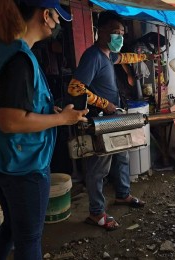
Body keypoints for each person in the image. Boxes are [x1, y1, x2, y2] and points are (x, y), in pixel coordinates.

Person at [0, 0, 89, 259]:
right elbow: (10, 120)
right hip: (21, 164)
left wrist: (47, 113)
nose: (58, 24)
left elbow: (1, 98)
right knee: (29, 239)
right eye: (58, 17)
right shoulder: (19, 58)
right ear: (45, 15)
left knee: (12, 226)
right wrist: (63, 120)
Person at [67, 11, 157, 230]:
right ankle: (96, 213)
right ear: (101, 31)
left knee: (122, 156)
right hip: (100, 120)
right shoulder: (93, 56)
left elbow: (124, 57)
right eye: (115, 32)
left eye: (122, 33)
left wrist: (145, 57)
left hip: (113, 117)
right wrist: (101, 102)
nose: (120, 37)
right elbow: (74, 88)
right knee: (98, 168)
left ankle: (122, 194)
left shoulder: (108, 55)